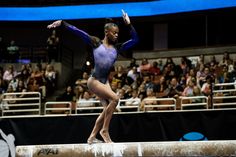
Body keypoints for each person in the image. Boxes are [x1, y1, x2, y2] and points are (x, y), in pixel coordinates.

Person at [47, 9, 138, 144]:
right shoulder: (96, 42)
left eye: (118, 33)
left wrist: (129, 25)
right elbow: (78, 32)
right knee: (115, 99)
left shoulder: (117, 48)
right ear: (106, 32)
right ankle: (105, 131)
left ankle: (92, 136)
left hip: (105, 82)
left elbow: (135, 40)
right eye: (114, 33)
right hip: (94, 81)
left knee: (108, 108)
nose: (117, 35)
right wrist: (62, 23)